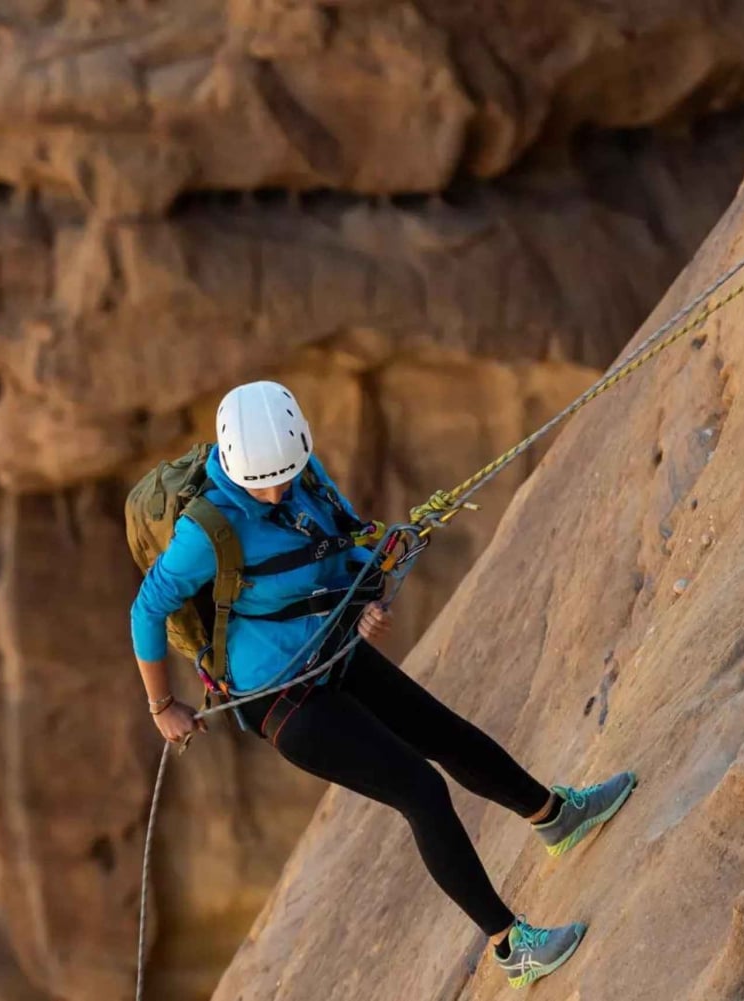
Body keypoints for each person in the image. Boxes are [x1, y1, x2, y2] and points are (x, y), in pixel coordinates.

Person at [129, 380, 636, 989]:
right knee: (419, 789)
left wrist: (366, 592)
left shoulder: (301, 473)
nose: (274, 490)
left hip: (331, 646)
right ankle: (511, 948)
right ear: (235, 469)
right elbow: (147, 610)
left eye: (283, 476)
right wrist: (162, 705)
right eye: (261, 483)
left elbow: (342, 547)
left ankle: (554, 816)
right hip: (280, 699)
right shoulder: (204, 533)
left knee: (445, 734)